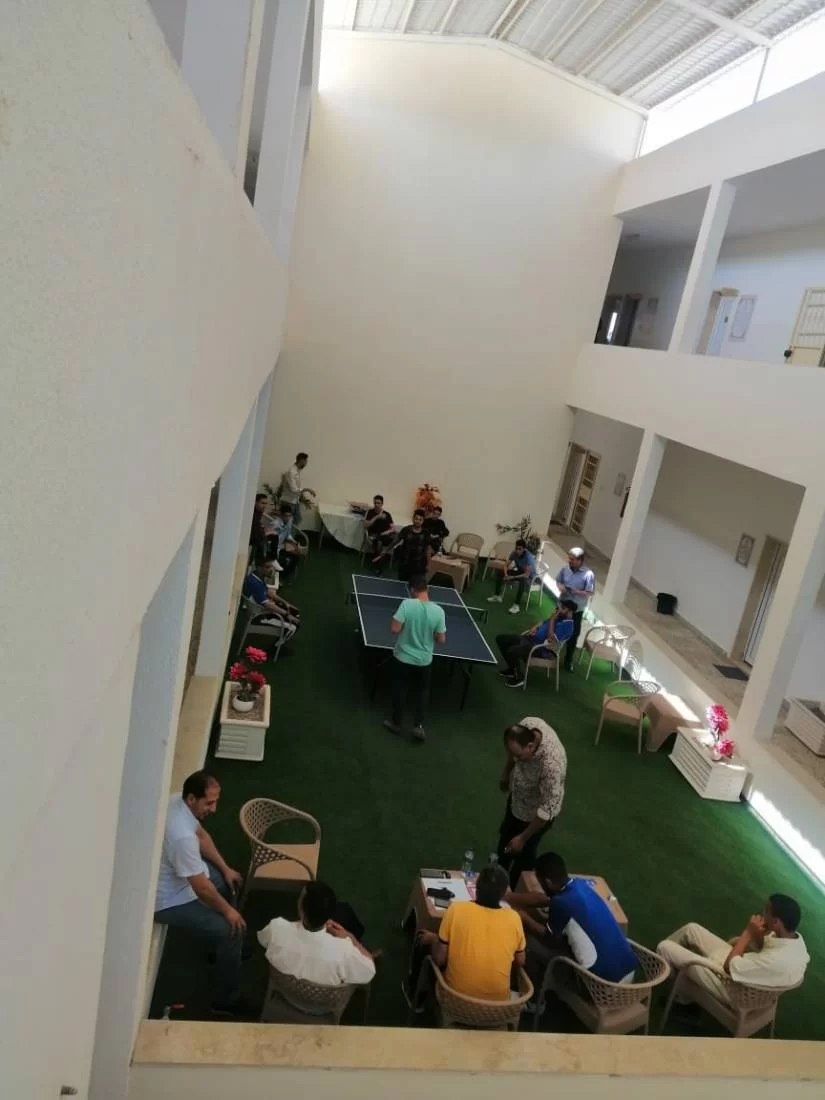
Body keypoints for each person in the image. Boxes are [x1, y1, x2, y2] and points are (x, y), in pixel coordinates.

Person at [154, 771, 248, 1017]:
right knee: (232, 931)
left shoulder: (178, 801)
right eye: (209, 803)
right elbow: (202, 888)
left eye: (216, 801)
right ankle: (226, 1001)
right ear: (192, 799)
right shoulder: (182, 838)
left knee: (228, 883)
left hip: (185, 876)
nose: (214, 809)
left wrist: (225, 869)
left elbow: (202, 836)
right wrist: (228, 911)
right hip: (168, 899)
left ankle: (222, 951)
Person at [510, 852, 638, 995]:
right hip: (629, 974)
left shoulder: (561, 903)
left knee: (528, 941)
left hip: (603, 987)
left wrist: (522, 916)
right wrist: (508, 896)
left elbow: (548, 939)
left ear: (548, 883)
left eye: (540, 882)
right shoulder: (580, 885)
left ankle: (535, 998)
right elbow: (543, 900)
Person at [407, 864, 526, 1007]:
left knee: (424, 940)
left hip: (456, 1002)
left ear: (476, 887)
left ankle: (414, 999)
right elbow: (520, 961)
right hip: (497, 1008)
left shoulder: (456, 909)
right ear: (503, 893)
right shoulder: (514, 918)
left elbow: (439, 959)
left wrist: (433, 939)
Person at [657, 895, 809, 1005]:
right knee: (692, 929)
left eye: (766, 911)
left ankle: (676, 991)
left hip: (731, 987)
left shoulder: (775, 961)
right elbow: (763, 948)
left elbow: (728, 968)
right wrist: (758, 935)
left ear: (776, 922)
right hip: (746, 971)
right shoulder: (795, 943)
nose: (763, 914)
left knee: (664, 947)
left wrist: (748, 933)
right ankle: (675, 980)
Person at [257, 881, 376, 989]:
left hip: (285, 990)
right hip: (323, 1003)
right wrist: (352, 939)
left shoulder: (276, 928)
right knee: (344, 910)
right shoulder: (344, 950)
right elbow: (369, 971)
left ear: (301, 910)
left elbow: (262, 939)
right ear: (329, 915)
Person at [497, 718, 566, 887]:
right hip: (518, 799)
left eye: (519, 756)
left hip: (536, 814)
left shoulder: (552, 765)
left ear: (530, 746)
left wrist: (522, 838)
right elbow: (513, 753)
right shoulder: (528, 724)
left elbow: (545, 811)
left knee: (525, 853)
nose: (516, 759)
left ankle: (514, 887)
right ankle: (499, 871)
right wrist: (506, 772)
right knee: (506, 840)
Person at [384, 574, 446, 742]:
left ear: (412, 590)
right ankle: (418, 726)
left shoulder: (407, 604)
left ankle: (396, 724)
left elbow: (394, 629)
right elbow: (441, 639)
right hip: (424, 661)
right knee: (422, 692)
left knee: (400, 688)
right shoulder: (439, 611)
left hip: (402, 658)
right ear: (427, 589)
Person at [495, 599, 578, 688]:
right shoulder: (559, 617)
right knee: (501, 639)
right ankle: (512, 670)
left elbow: (550, 639)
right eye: (559, 607)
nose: (559, 610)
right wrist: (535, 627)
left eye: (563, 608)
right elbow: (543, 623)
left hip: (541, 649)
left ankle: (519, 678)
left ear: (570, 612)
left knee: (512, 650)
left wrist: (552, 619)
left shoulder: (568, 626)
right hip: (530, 640)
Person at [555, 547, 595, 672]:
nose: (569, 561)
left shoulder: (588, 574)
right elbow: (558, 581)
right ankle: (550, 652)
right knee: (554, 627)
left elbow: (590, 593)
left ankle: (568, 661)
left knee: (573, 635)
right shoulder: (565, 569)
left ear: (580, 560)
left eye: (572, 559)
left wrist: (575, 591)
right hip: (561, 605)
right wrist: (560, 587)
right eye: (569, 558)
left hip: (576, 611)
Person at [243, 565, 300, 644]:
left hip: (264, 611)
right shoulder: (256, 585)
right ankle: (275, 646)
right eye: (269, 567)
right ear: (261, 567)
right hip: (261, 617)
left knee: (295, 612)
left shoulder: (255, 578)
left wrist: (285, 603)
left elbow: (268, 592)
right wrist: (287, 614)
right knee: (294, 626)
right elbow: (268, 605)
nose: (272, 571)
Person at [376, 509, 434, 582]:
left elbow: (428, 549)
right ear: (413, 519)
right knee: (401, 583)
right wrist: (385, 550)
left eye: (420, 519)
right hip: (405, 563)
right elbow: (395, 541)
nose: (418, 521)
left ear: (423, 521)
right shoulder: (406, 530)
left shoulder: (426, 533)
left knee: (416, 584)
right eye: (416, 519)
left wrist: (429, 564)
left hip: (418, 564)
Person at [487, 538, 537, 614]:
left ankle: (516, 605)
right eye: (516, 548)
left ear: (524, 549)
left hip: (529, 576)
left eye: (520, 549)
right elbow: (505, 565)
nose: (517, 550)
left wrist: (512, 577)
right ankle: (497, 596)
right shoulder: (514, 553)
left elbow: (526, 575)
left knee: (523, 581)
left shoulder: (528, 557)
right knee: (500, 573)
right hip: (519, 571)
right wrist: (506, 575)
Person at [269, 502, 303, 580]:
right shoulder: (275, 524)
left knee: (297, 556)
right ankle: (279, 575)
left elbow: (288, 535)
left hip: (282, 546)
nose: (287, 518)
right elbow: (272, 541)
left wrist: (294, 542)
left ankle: (283, 576)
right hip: (275, 549)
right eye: (285, 516)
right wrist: (286, 546)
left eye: (289, 516)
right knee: (284, 559)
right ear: (281, 515)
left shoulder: (289, 522)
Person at [279, 451, 312, 526]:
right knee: (287, 522)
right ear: (301, 460)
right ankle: (286, 533)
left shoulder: (297, 470)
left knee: (297, 519)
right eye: (306, 461)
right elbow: (293, 489)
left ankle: (290, 533)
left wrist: (301, 496)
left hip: (294, 501)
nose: (306, 464)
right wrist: (307, 489)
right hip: (288, 501)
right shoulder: (291, 472)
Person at [363, 494, 395, 559]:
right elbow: (365, 526)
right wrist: (377, 517)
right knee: (379, 541)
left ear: (382, 504)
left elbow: (393, 528)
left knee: (389, 538)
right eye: (375, 503)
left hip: (384, 535)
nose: (376, 505)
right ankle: (378, 559)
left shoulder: (387, 514)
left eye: (378, 503)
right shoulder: (370, 512)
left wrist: (386, 532)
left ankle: (378, 558)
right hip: (373, 534)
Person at [249, 492, 270, 567]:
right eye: (262, 503)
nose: (265, 506)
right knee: (264, 540)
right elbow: (256, 534)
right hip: (252, 541)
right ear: (255, 502)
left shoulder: (258, 513)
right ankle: (263, 564)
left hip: (255, 539)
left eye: (266, 503)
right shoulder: (253, 515)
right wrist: (264, 533)